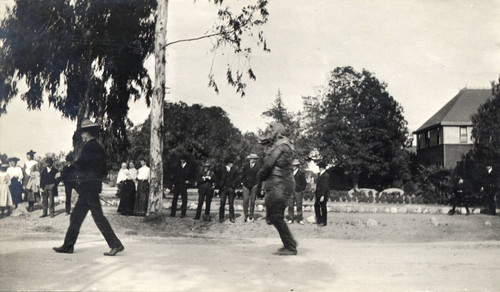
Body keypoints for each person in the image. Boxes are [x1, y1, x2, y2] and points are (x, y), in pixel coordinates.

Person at [53, 119, 124, 256]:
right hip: (91, 186)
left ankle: (115, 244)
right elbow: (103, 169)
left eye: (83, 133)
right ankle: (68, 246)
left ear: (88, 133)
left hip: (89, 187)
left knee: (97, 217)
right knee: (77, 217)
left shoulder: (90, 147)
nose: (81, 136)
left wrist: (62, 173)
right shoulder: (98, 147)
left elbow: (80, 164)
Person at [256, 122, 297, 255]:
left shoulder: (282, 145)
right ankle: (290, 242)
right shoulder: (280, 145)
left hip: (281, 184)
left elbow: (268, 164)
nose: (269, 132)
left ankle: (290, 246)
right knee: (272, 216)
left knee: (276, 216)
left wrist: (259, 176)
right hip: (277, 184)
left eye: (271, 130)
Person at [216, 158, 239, 223]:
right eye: (231, 163)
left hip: (231, 188)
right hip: (223, 188)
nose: (232, 164)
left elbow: (237, 179)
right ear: (228, 163)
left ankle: (232, 217)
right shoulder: (222, 170)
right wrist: (220, 185)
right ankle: (221, 217)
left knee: (231, 203)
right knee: (222, 203)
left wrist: (232, 185)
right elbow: (218, 178)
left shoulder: (234, 170)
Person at [240, 153, 260, 222]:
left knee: (252, 200)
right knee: (245, 200)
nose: (252, 160)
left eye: (254, 159)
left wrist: (257, 184)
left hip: (254, 184)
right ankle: (246, 215)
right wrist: (242, 182)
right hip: (246, 185)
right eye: (251, 159)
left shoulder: (258, 167)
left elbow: (259, 176)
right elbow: (242, 174)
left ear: (255, 160)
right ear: (249, 159)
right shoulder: (245, 166)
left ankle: (251, 215)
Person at [287, 159, 307, 225]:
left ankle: (300, 219)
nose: (293, 167)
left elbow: (304, 183)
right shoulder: (290, 173)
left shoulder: (301, 173)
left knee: (299, 205)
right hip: (290, 191)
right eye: (293, 165)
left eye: (295, 165)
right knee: (290, 205)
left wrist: (301, 189)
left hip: (298, 191)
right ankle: (291, 218)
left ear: (297, 166)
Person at [315, 161, 330, 227]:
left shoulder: (326, 175)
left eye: (320, 167)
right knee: (316, 206)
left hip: (323, 194)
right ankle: (319, 220)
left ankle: (324, 222)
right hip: (318, 194)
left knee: (323, 207)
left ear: (322, 168)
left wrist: (323, 195)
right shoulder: (319, 174)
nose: (319, 168)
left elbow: (325, 186)